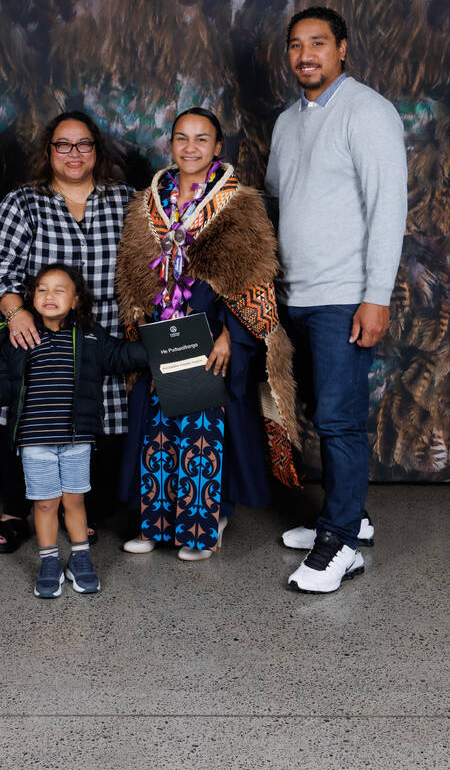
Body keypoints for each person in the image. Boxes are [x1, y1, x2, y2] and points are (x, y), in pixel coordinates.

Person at [116, 107, 300, 562]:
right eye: (182, 138)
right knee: (156, 431)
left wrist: (230, 337)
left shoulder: (240, 203)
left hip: (213, 335)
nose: (191, 147)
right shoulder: (147, 204)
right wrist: (143, 329)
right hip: (161, 334)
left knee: (203, 432)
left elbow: (255, 276)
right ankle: (154, 524)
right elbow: (132, 273)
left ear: (218, 147)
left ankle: (203, 523)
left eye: (202, 139)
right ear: (170, 144)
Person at [265, 6, 407, 593]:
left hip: (344, 297)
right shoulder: (287, 121)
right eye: (296, 45)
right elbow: (277, 201)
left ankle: (341, 543)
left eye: (318, 43)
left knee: (340, 422)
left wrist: (375, 298)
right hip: (296, 295)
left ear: (342, 49)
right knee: (318, 413)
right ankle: (347, 515)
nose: (306, 55)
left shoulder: (367, 111)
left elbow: (388, 210)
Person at [0, 111, 133, 554]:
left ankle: (80, 512)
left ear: (97, 151)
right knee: (30, 423)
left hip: (101, 336)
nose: (73, 154)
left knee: (94, 426)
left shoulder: (125, 200)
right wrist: (15, 313)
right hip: (38, 331)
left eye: (83, 144)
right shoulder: (24, 202)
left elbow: (152, 264)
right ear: (49, 152)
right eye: (62, 145)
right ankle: (13, 512)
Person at [0, 264, 147, 597]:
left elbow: (125, 355)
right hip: (34, 441)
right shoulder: (21, 337)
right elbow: (7, 381)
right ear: (31, 298)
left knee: (75, 501)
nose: (49, 296)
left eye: (59, 290)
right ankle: (50, 561)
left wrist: (167, 342)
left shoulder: (92, 337)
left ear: (76, 300)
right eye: (41, 290)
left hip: (76, 439)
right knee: (44, 504)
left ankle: (80, 559)